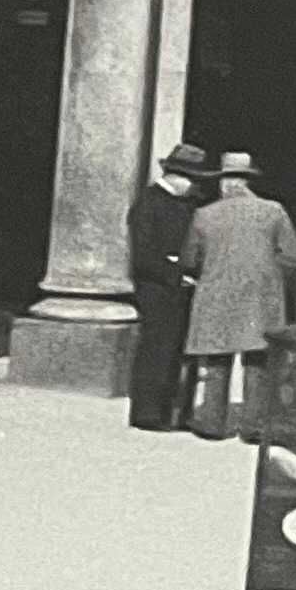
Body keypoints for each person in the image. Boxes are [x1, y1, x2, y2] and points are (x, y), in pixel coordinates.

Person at [182, 150, 296, 421]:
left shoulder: (204, 214)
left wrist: (208, 271)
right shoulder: (273, 211)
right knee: (257, 360)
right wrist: (269, 275)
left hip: (216, 293)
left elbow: (190, 258)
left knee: (216, 359)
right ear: (248, 182)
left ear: (224, 182)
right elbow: (292, 254)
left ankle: (212, 422)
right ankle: (254, 423)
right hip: (260, 295)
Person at [126, 140, 213, 435]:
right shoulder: (149, 204)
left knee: (176, 351)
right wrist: (175, 273)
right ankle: (147, 413)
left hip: (179, 288)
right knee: (156, 348)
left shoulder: (187, 205)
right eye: (192, 179)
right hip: (157, 289)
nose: (195, 186)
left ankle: (173, 411)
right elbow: (143, 255)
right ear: (175, 176)